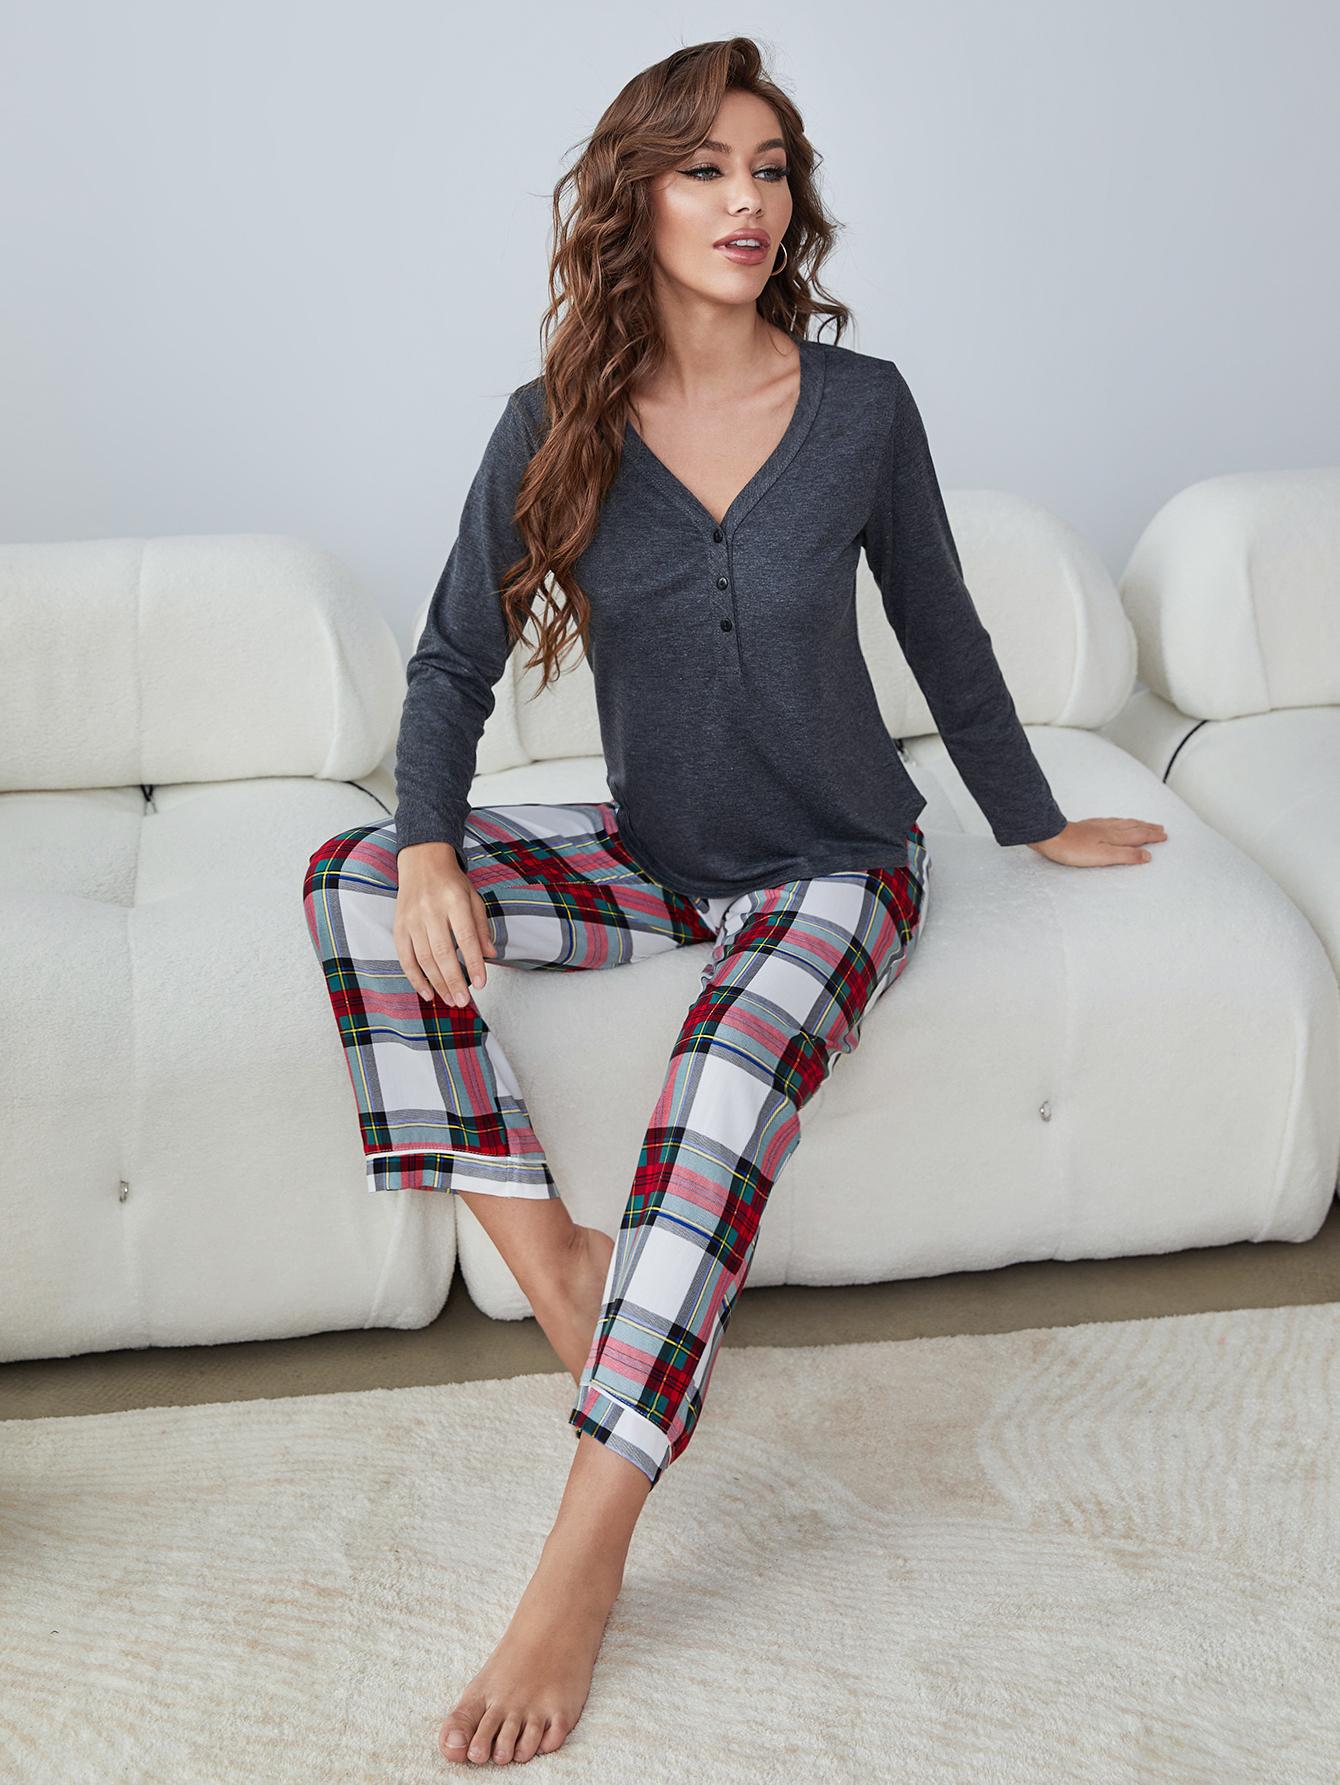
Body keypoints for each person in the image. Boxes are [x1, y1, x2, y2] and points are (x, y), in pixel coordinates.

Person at [302, 36, 1167, 1768]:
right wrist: (427, 844)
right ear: (636, 197)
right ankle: (548, 1248)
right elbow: (453, 658)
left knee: (717, 1082)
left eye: (769, 169)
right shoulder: (555, 423)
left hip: (841, 862)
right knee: (351, 876)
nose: (745, 200)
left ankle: (585, 1553)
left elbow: (942, 628)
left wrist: (1034, 818)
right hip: (656, 849)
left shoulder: (861, 410)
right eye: (705, 168)